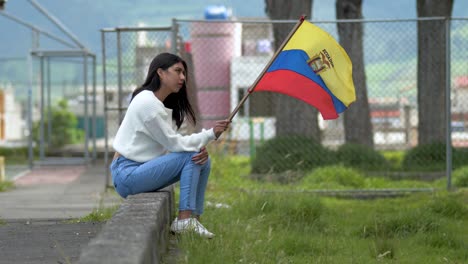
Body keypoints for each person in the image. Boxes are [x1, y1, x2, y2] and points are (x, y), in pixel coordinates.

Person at [110, 52, 230, 238]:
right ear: (161, 73)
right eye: (177, 71)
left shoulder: (163, 105)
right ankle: (184, 219)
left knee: (202, 159)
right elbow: (174, 144)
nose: (182, 77)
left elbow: (174, 143)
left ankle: (194, 219)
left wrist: (200, 146)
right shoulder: (147, 102)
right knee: (193, 156)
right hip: (126, 174)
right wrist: (210, 134)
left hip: (141, 168)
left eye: (184, 73)